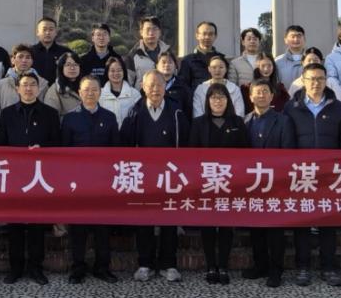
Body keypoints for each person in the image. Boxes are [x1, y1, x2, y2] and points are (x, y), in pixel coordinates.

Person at [283, 62, 341, 286]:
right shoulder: (291, 107)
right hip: (301, 174)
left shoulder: (338, 108)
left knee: (328, 222)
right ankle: (303, 267)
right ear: (303, 81)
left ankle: (328, 267)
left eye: (320, 79)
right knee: (302, 222)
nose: (316, 83)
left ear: (326, 81)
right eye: (311, 79)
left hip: (329, 175)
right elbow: (286, 142)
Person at [121, 70, 190, 283]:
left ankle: (169, 264)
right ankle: (145, 264)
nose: (155, 89)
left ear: (165, 87)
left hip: (170, 176)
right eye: (151, 85)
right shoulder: (135, 112)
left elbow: (185, 144)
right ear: (143, 87)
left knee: (169, 220)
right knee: (144, 220)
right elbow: (125, 144)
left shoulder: (176, 113)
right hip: (143, 177)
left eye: (159, 85)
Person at [0, 72, 62, 284]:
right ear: (17, 89)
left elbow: (58, 143)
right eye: (24, 85)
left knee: (36, 224)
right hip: (15, 175)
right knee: (15, 223)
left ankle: (36, 267)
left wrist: (42, 148)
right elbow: (1, 144)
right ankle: (15, 268)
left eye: (33, 84)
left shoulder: (50, 114)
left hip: (39, 175)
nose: (28, 88)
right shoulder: (7, 114)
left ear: (39, 88)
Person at [61, 76, 120, 283]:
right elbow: (63, 153)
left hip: (103, 183)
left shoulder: (109, 117)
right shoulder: (70, 118)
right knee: (78, 228)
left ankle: (102, 267)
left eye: (94, 89)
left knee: (102, 227)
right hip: (78, 184)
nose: (90, 93)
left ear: (100, 92)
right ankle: (78, 267)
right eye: (86, 90)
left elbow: (116, 151)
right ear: (79, 92)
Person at [189, 83, 248, 285]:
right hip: (205, 182)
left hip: (230, 183)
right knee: (207, 226)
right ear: (207, 101)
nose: (217, 101)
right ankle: (211, 266)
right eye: (213, 97)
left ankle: (223, 265)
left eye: (221, 97)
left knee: (225, 226)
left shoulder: (237, 122)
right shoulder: (198, 123)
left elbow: (246, 153)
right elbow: (191, 154)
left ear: (228, 100)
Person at [242, 79, 296, 287]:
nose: (261, 95)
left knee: (275, 230)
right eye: (257, 92)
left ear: (272, 96)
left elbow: (288, 153)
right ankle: (260, 265)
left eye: (265, 91)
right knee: (256, 228)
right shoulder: (245, 121)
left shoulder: (283, 121)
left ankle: (276, 270)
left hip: (276, 184)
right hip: (252, 184)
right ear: (250, 96)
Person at [0, 44, 48, 118]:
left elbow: (47, 110)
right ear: (12, 60)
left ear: (32, 61)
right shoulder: (0, 85)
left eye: (28, 57)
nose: (24, 60)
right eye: (20, 57)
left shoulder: (42, 84)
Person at [124, 15, 173, 89]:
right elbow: (127, 82)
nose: (151, 33)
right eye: (148, 30)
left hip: (166, 94)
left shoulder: (168, 52)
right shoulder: (133, 55)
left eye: (154, 29)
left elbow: (175, 76)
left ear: (160, 32)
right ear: (141, 32)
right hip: (141, 95)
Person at [192, 54, 246, 118]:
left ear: (226, 69)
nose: (217, 70)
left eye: (221, 67)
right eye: (214, 67)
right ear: (209, 69)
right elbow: (197, 113)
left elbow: (239, 112)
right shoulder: (200, 89)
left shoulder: (234, 89)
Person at [178, 20, 224, 90]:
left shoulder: (221, 60)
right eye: (204, 34)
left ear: (215, 36)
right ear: (197, 36)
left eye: (211, 34)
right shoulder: (188, 60)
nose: (207, 37)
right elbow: (183, 85)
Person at [98, 56, 140, 125]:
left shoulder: (135, 94)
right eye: (112, 71)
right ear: (107, 72)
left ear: (124, 72)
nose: (116, 73)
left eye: (119, 70)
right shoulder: (99, 94)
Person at [31, 16, 72, 86]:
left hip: (59, 90)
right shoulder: (30, 52)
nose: (47, 33)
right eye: (44, 29)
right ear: (37, 32)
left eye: (51, 29)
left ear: (56, 32)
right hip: (34, 90)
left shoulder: (65, 52)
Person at [42, 51, 83, 119]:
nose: (72, 68)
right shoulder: (54, 91)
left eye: (75, 64)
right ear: (61, 68)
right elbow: (51, 118)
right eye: (68, 65)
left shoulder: (86, 86)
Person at [156, 51, 191, 116]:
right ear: (157, 66)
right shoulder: (150, 85)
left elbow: (187, 112)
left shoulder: (183, 87)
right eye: (163, 62)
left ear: (175, 66)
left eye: (170, 62)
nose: (167, 65)